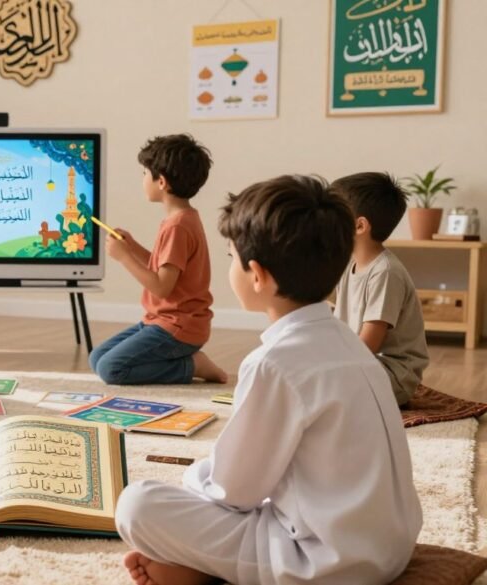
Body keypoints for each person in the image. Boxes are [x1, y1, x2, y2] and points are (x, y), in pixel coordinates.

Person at [116, 175, 421, 585]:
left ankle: (210, 567)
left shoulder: (273, 363)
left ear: (256, 274)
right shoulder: (349, 345)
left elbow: (233, 491)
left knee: (136, 504)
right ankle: (204, 565)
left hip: (324, 564)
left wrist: (193, 477)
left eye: (230, 256)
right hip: (392, 549)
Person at [90, 134, 226, 385]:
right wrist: (132, 247)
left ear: (161, 181)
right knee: (97, 358)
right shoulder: (183, 218)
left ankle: (193, 364)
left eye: (144, 173)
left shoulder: (178, 226)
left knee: (111, 369)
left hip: (178, 327)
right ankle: (184, 360)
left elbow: (162, 286)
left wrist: (124, 257)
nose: (142, 180)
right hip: (162, 321)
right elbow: (167, 267)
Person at [331, 172, 429, 405]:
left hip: (391, 374)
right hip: (362, 363)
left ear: (359, 225)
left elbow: (368, 346)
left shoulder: (385, 272)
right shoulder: (350, 265)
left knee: (321, 381)